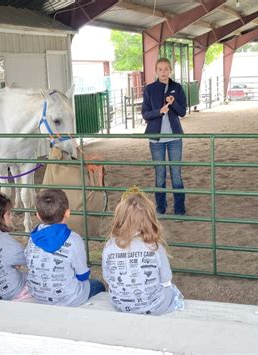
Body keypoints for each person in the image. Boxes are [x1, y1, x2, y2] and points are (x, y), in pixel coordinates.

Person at [102, 187, 184, 315]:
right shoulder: (154, 247)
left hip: (120, 305)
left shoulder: (109, 245)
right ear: (149, 220)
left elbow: (107, 277)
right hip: (153, 307)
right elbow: (166, 279)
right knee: (172, 290)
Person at [25, 189, 105, 306]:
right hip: (69, 299)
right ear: (67, 213)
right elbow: (83, 275)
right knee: (98, 285)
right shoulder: (73, 239)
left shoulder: (33, 238)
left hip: (38, 295)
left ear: (37, 215)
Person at [142, 57, 187, 215]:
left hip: (175, 138)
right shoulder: (149, 89)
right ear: (156, 70)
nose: (163, 72)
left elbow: (182, 112)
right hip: (156, 139)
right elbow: (145, 114)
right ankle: (160, 207)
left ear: (170, 70)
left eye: (166, 69)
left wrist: (173, 103)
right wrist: (159, 111)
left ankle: (179, 208)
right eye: (160, 69)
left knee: (176, 173)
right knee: (160, 173)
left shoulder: (178, 87)